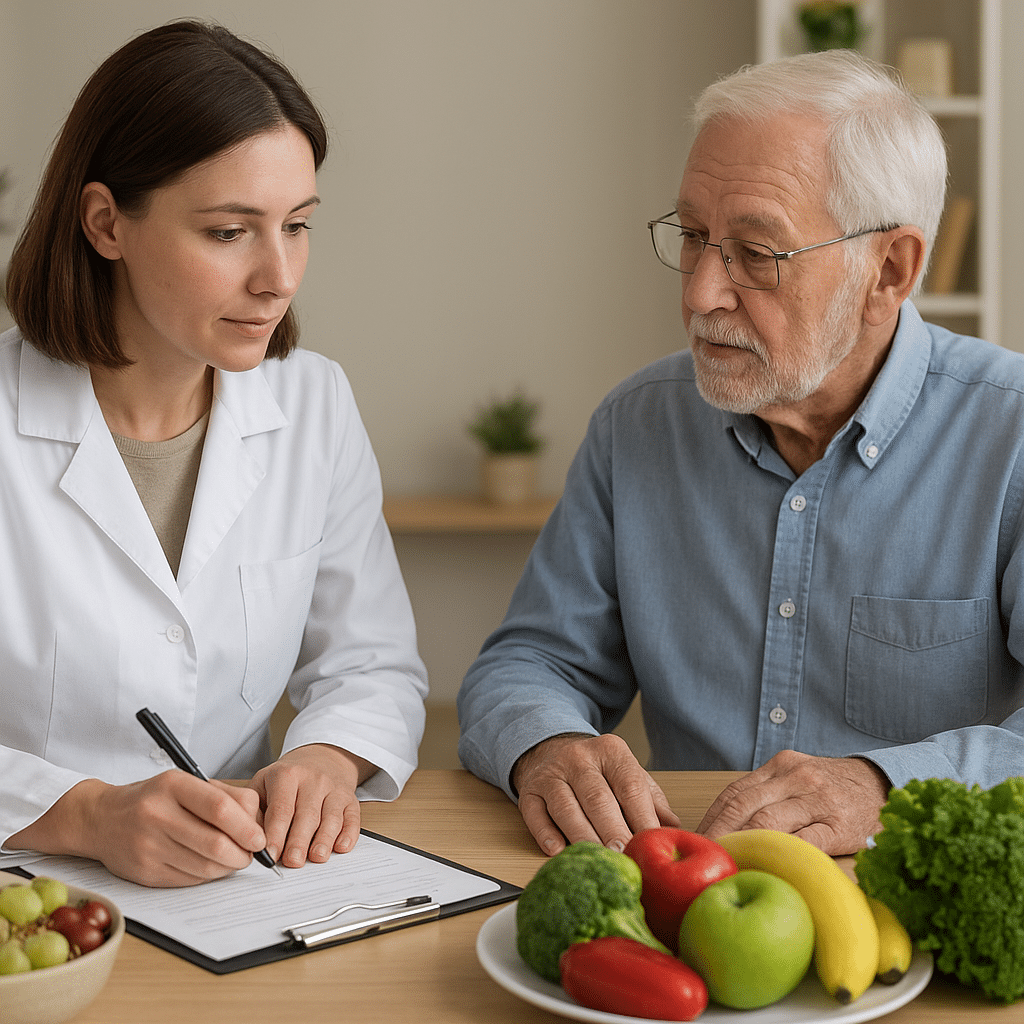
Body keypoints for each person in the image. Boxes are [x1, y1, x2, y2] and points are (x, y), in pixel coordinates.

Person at [458, 48, 1024, 859]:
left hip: (916, 894)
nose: (698, 293)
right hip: (687, 894)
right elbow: (532, 661)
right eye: (693, 236)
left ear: (888, 271)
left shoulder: (1011, 436)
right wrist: (546, 745)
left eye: (757, 255)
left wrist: (883, 786)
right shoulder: (636, 426)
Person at [0, 20, 427, 887]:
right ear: (105, 223)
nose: (279, 276)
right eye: (230, 233)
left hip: (238, 884)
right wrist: (84, 814)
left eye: (297, 226)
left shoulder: (313, 403)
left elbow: (369, 661)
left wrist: (329, 761)